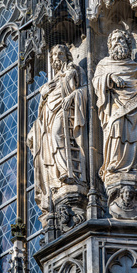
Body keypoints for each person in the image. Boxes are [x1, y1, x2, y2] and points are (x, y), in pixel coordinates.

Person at [27, 44, 87, 214]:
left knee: (57, 136)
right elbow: (41, 107)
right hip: (49, 114)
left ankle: (69, 173)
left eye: (61, 54)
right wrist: (44, 93)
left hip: (64, 109)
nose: (58, 57)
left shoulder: (74, 69)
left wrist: (73, 96)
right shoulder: (52, 81)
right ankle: (58, 175)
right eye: (54, 55)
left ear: (67, 56)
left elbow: (85, 89)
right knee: (51, 141)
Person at [93, 29, 137, 192]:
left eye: (122, 39)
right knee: (115, 127)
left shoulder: (134, 66)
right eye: (115, 39)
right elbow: (96, 81)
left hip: (135, 107)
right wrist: (110, 78)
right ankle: (114, 164)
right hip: (114, 105)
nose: (118, 42)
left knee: (135, 134)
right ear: (110, 44)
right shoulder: (104, 64)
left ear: (128, 44)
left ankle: (134, 167)